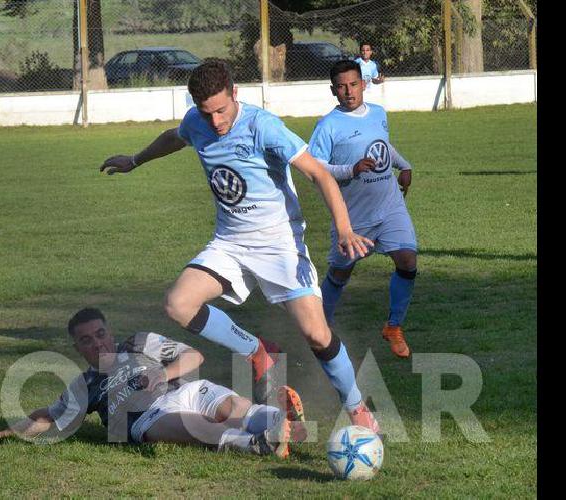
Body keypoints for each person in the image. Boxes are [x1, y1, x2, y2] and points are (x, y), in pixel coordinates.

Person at [97, 59, 380, 433]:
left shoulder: (263, 126)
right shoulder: (197, 123)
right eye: (206, 112)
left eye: (221, 110)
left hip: (278, 243)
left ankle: (357, 408)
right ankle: (257, 351)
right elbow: (175, 136)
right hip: (230, 242)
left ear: (235, 93)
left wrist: (344, 229)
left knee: (316, 334)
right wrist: (135, 160)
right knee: (178, 304)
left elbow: (318, 173)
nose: (215, 121)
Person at [0, 308, 309, 458]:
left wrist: (163, 373)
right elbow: (49, 415)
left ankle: (284, 423)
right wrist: (6, 432)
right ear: (77, 348)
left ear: (111, 332)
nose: (98, 343)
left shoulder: (139, 342)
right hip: (147, 418)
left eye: (101, 334)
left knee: (234, 407)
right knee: (194, 426)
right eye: (87, 340)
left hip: (186, 388)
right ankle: (259, 443)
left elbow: (194, 357)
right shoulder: (85, 384)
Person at [309, 60, 417, 358]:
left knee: (407, 260)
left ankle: (393, 327)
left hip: (389, 203)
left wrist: (403, 165)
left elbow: (383, 145)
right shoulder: (327, 125)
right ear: (333, 90)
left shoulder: (379, 114)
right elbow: (314, 168)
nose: (349, 91)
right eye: (341, 87)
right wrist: (350, 170)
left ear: (363, 84)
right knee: (340, 274)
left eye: (353, 84)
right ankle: (321, 329)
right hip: (352, 214)